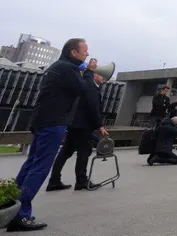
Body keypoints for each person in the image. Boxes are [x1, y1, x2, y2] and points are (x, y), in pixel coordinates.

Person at [9, 38, 108, 232]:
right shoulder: (67, 69)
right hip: (53, 123)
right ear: (73, 52)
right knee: (40, 167)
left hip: (43, 120)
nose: (87, 54)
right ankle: (21, 215)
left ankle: (11, 205)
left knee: (31, 163)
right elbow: (83, 88)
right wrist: (89, 71)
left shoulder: (59, 66)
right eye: (85, 51)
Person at [46, 59, 105, 192]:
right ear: (95, 75)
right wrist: (99, 125)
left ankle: (54, 180)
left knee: (65, 152)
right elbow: (93, 108)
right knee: (84, 152)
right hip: (83, 125)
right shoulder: (90, 86)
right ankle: (81, 181)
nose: (103, 78)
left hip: (73, 123)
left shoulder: (85, 84)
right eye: (101, 75)